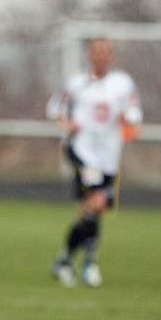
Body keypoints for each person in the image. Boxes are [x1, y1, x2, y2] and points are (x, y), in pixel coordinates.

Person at [47, 37, 142, 287]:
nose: (101, 56)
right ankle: (89, 264)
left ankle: (65, 260)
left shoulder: (123, 83)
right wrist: (69, 125)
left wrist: (129, 122)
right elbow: (54, 109)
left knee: (90, 211)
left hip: (109, 156)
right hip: (81, 151)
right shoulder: (77, 83)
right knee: (97, 202)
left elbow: (133, 115)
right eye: (96, 51)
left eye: (106, 51)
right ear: (89, 55)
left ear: (112, 56)